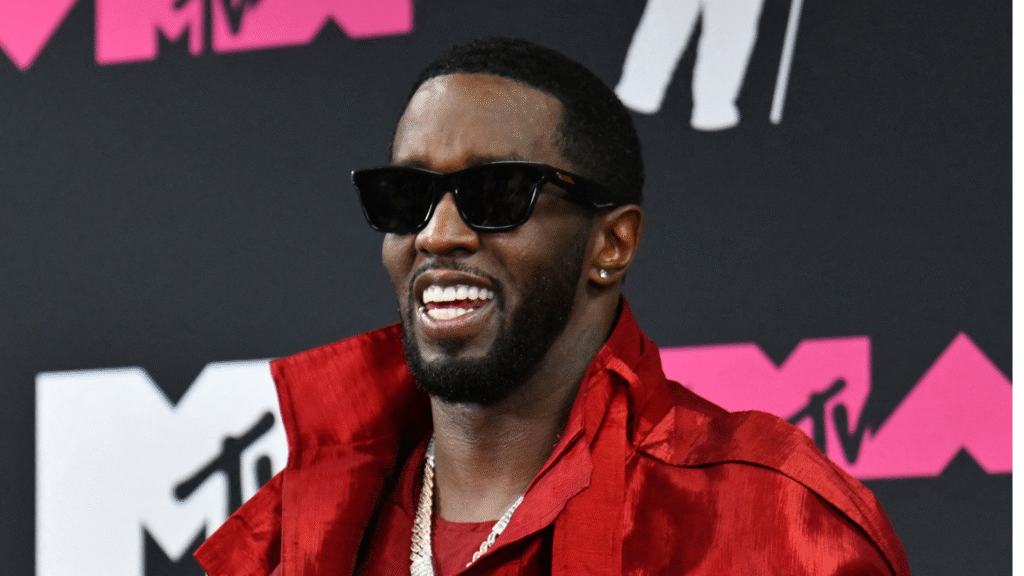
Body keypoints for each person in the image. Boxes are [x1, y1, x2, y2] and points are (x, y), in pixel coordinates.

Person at [195, 37, 911, 576]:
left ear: (612, 244)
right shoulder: (298, 533)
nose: (438, 234)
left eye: (499, 193)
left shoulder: (770, 522)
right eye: (406, 197)